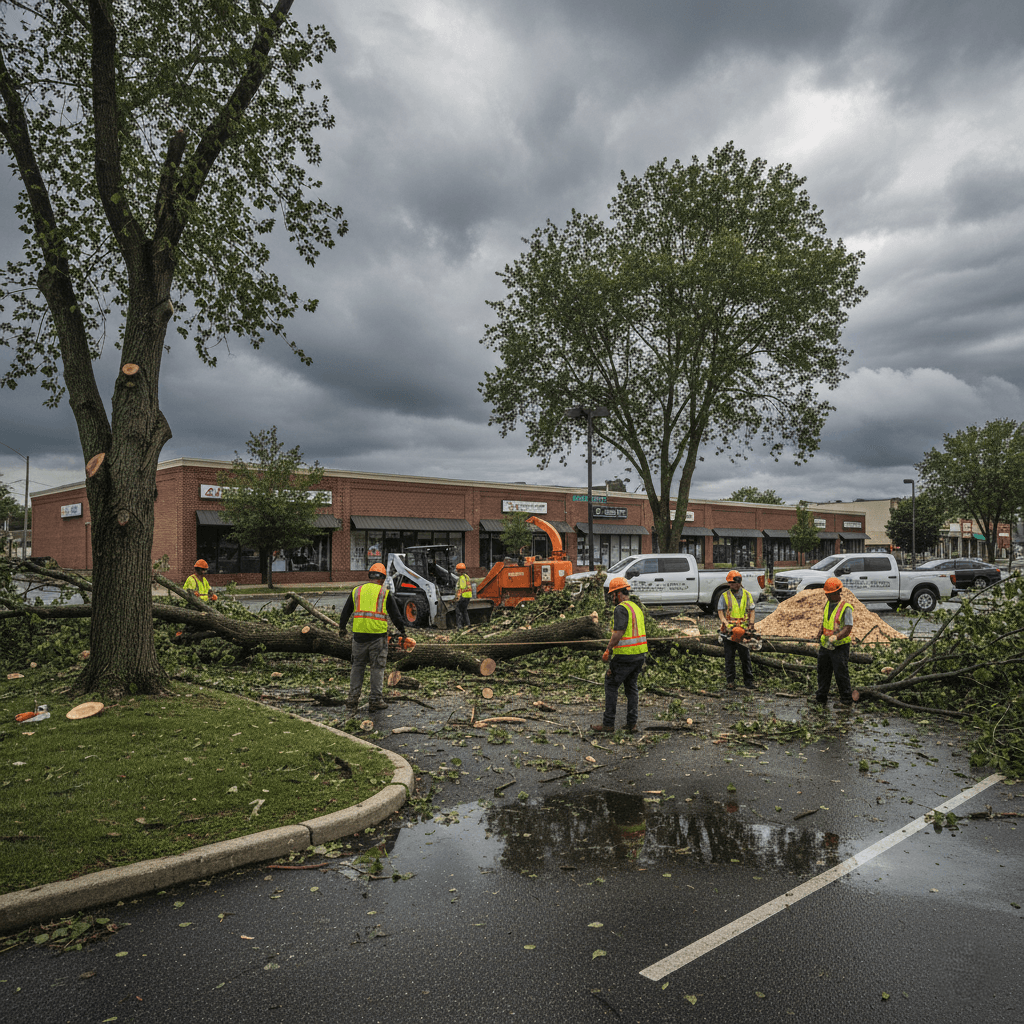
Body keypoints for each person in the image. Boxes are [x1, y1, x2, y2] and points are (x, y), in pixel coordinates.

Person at [338, 562, 408, 712]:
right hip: (378, 638)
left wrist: (342, 628)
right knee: (377, 668)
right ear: (382, 578)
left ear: (369, 576)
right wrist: (402, 631)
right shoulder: (385, 593)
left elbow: (345, 612)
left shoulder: (357, 591)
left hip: (359, 637)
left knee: (357, 666)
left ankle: (352, 699)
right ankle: (375, 700)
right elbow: (396, 616)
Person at [592, 576, 647, 734]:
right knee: (631, 688)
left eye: (612, 595)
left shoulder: (621, 609)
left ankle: (608, 724)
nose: (612, 599)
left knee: (611, 684)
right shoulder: (636, 607)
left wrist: (608, 648)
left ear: (618, 594)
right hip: (639, 655)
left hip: (625, 655)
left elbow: (619, 632)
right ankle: (632, 724)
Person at [814, 576, 854, 710]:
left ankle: (846, 700)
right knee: (823, 672)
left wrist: (837, 637)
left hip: (839, 647)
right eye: (827, 594)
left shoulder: (846, 608)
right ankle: (821, 697)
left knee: (840, 673)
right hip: (825, 646)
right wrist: (820, 633)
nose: (828, 597)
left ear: (837, 592)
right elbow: (825, 621)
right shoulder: (828, 604)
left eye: (830, 594)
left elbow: (848, 628)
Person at [717, 569, 756, 689]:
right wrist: (725, 622)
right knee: (729, 657)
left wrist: (751, 624)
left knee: (745, 656)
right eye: (729, 583)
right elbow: (720, 612)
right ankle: (730, 681)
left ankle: (748, 682)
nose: (730, 585)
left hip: (743, 630)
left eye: (732, 583)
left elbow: (751, 610)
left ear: (738, 582)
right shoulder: (725, 596)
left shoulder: (747, 595)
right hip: (729, 630)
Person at [455, 562, 472, 627]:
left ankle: (460, 627)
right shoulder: (467, 577)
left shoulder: (461, 578)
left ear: (459, 570)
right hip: (468, 596)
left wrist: (457, 598)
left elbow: (461, 588)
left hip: (463, 597)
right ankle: (468, 624)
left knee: (458, 611)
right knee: (464, 611)